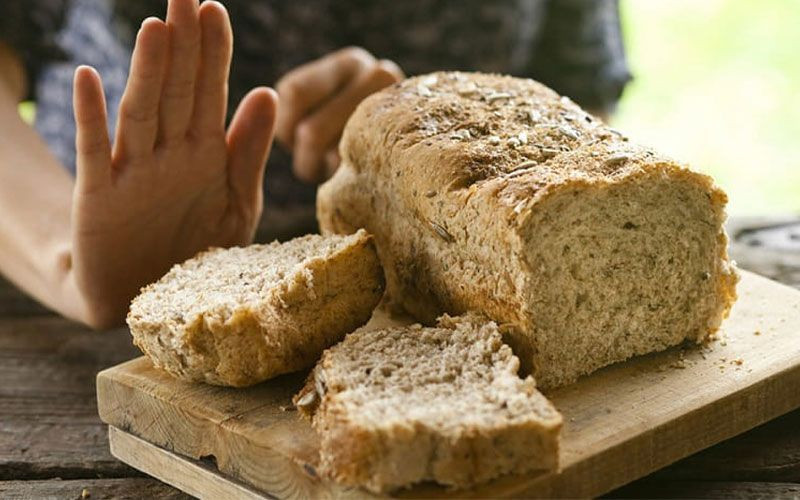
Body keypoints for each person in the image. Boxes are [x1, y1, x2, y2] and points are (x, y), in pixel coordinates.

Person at [0, 0, 630, 328]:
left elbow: (577, 104)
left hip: (440, 301)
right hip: (56, 305)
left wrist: (427, 129)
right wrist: (64, 256)